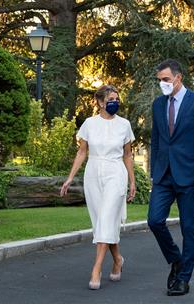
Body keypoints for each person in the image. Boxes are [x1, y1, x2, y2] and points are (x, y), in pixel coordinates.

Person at [148, 59, 194, 296]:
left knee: (189, 227)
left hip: (190, 177)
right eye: (159, 81)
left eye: (165, 80)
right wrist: (153, 172)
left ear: (178, 78)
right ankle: (176, 260)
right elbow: (155, 141)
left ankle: (183, 278)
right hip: (163, 175)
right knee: (154, 221)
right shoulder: (157, 105)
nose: (162, 84)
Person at [60, 85, 136, 290]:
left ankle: (96, 269)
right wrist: (69, 178)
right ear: (101, 102)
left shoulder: (124, 125)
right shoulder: (89, 124)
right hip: (93, 174)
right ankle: (118, 259)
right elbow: (82, 152)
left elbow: (127, 155)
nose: (115, 102)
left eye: (117, 98)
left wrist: (132, 181)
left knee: (106, 219)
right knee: (101, 223)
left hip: (115, 172)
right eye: (111, 98)